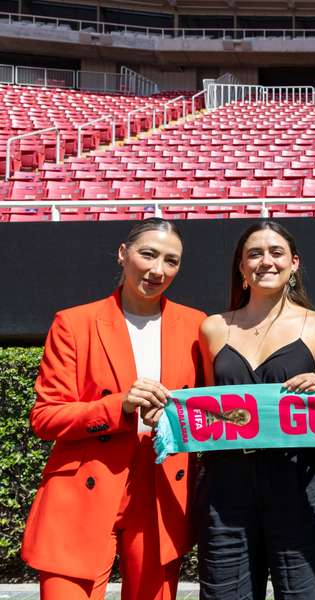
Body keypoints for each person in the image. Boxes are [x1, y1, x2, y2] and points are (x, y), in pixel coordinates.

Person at [21, 218, 205, 600]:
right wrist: (119, 406)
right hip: (83, 485)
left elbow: (209, 411)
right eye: (148, 254)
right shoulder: (74, 323)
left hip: (160, 486)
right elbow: (45, 416)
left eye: (171, 261)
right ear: (123, 254)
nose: (158, 270)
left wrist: (174, 419)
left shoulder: (197, 325)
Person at [197, 220, 315, 600]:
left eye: (276, 253)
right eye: (254, 254)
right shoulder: (212, 329)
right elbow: (206, 411)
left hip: (299, 483)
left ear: (294, 263)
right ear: (241, 268)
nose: (266, 261)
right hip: (226, 488)